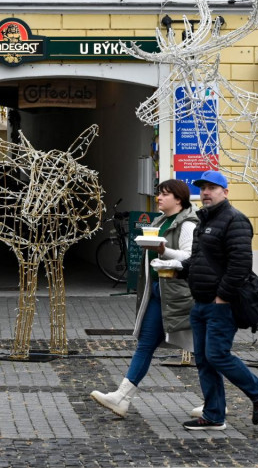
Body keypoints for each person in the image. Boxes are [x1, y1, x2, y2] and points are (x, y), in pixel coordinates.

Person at [90, 179, 199, 417]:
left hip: (181, 295)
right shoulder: (159, 220)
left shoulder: (188, 224)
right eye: (159, 193)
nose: (159, 197)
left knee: (201, 348)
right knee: (146, 344)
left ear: (178, 199)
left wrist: (163, 251)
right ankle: (121, 397)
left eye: (164, 194)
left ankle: (218, 400)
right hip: (159, 293)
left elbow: (190, 257)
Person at [178, 170, 258, 431]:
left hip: (221, 304)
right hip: (201, 303)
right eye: (203, 188)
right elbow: (199, 260)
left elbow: (240, 265)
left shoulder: (235, 220)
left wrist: (222, 297)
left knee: (217, 355)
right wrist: (176, 266)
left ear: (225, 192)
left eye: (212, 187)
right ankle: (214, 415)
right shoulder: (203, 221)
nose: (206, 192)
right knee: (205, 360)